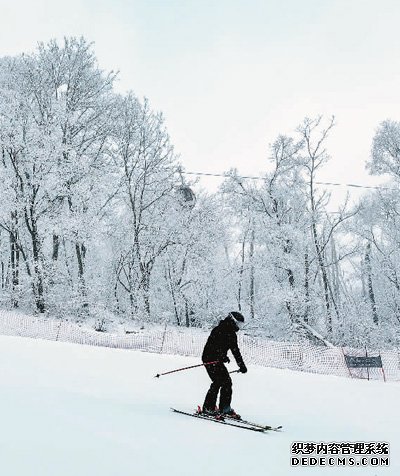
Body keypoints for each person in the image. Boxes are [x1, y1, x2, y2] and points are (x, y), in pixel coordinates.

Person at [201, 311, 247, 419]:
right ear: (232, 321)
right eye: (238, 324)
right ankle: (208, 407)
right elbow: (212, 346)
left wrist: (242, 365)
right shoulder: (218, 330)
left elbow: (235, 351)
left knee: (227, 382)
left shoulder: (232, 334)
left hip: (218, 360)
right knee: (218, 381)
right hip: (209, 359)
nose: (239, 327)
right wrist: (221, 356)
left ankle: (224, 408)